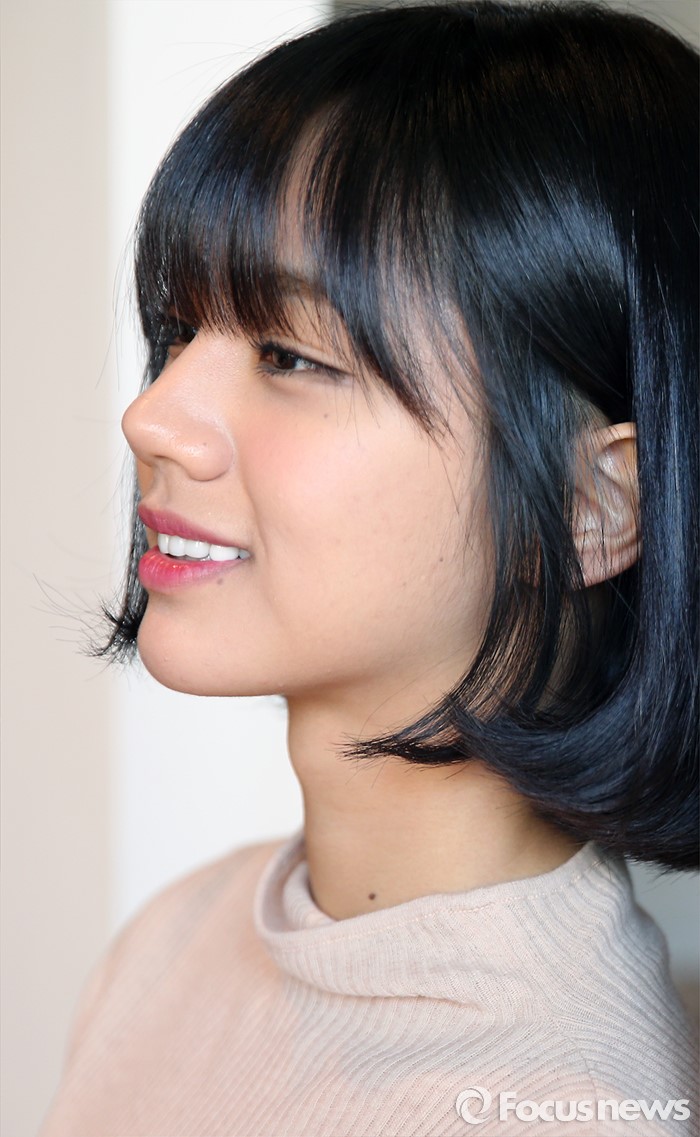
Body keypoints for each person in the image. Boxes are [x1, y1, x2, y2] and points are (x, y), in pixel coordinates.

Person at [40, 2, 698, 1134]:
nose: (154, 417)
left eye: (288, 354)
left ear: (593, 507)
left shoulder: (557, 1104)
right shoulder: (180, 936)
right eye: (179, 330)